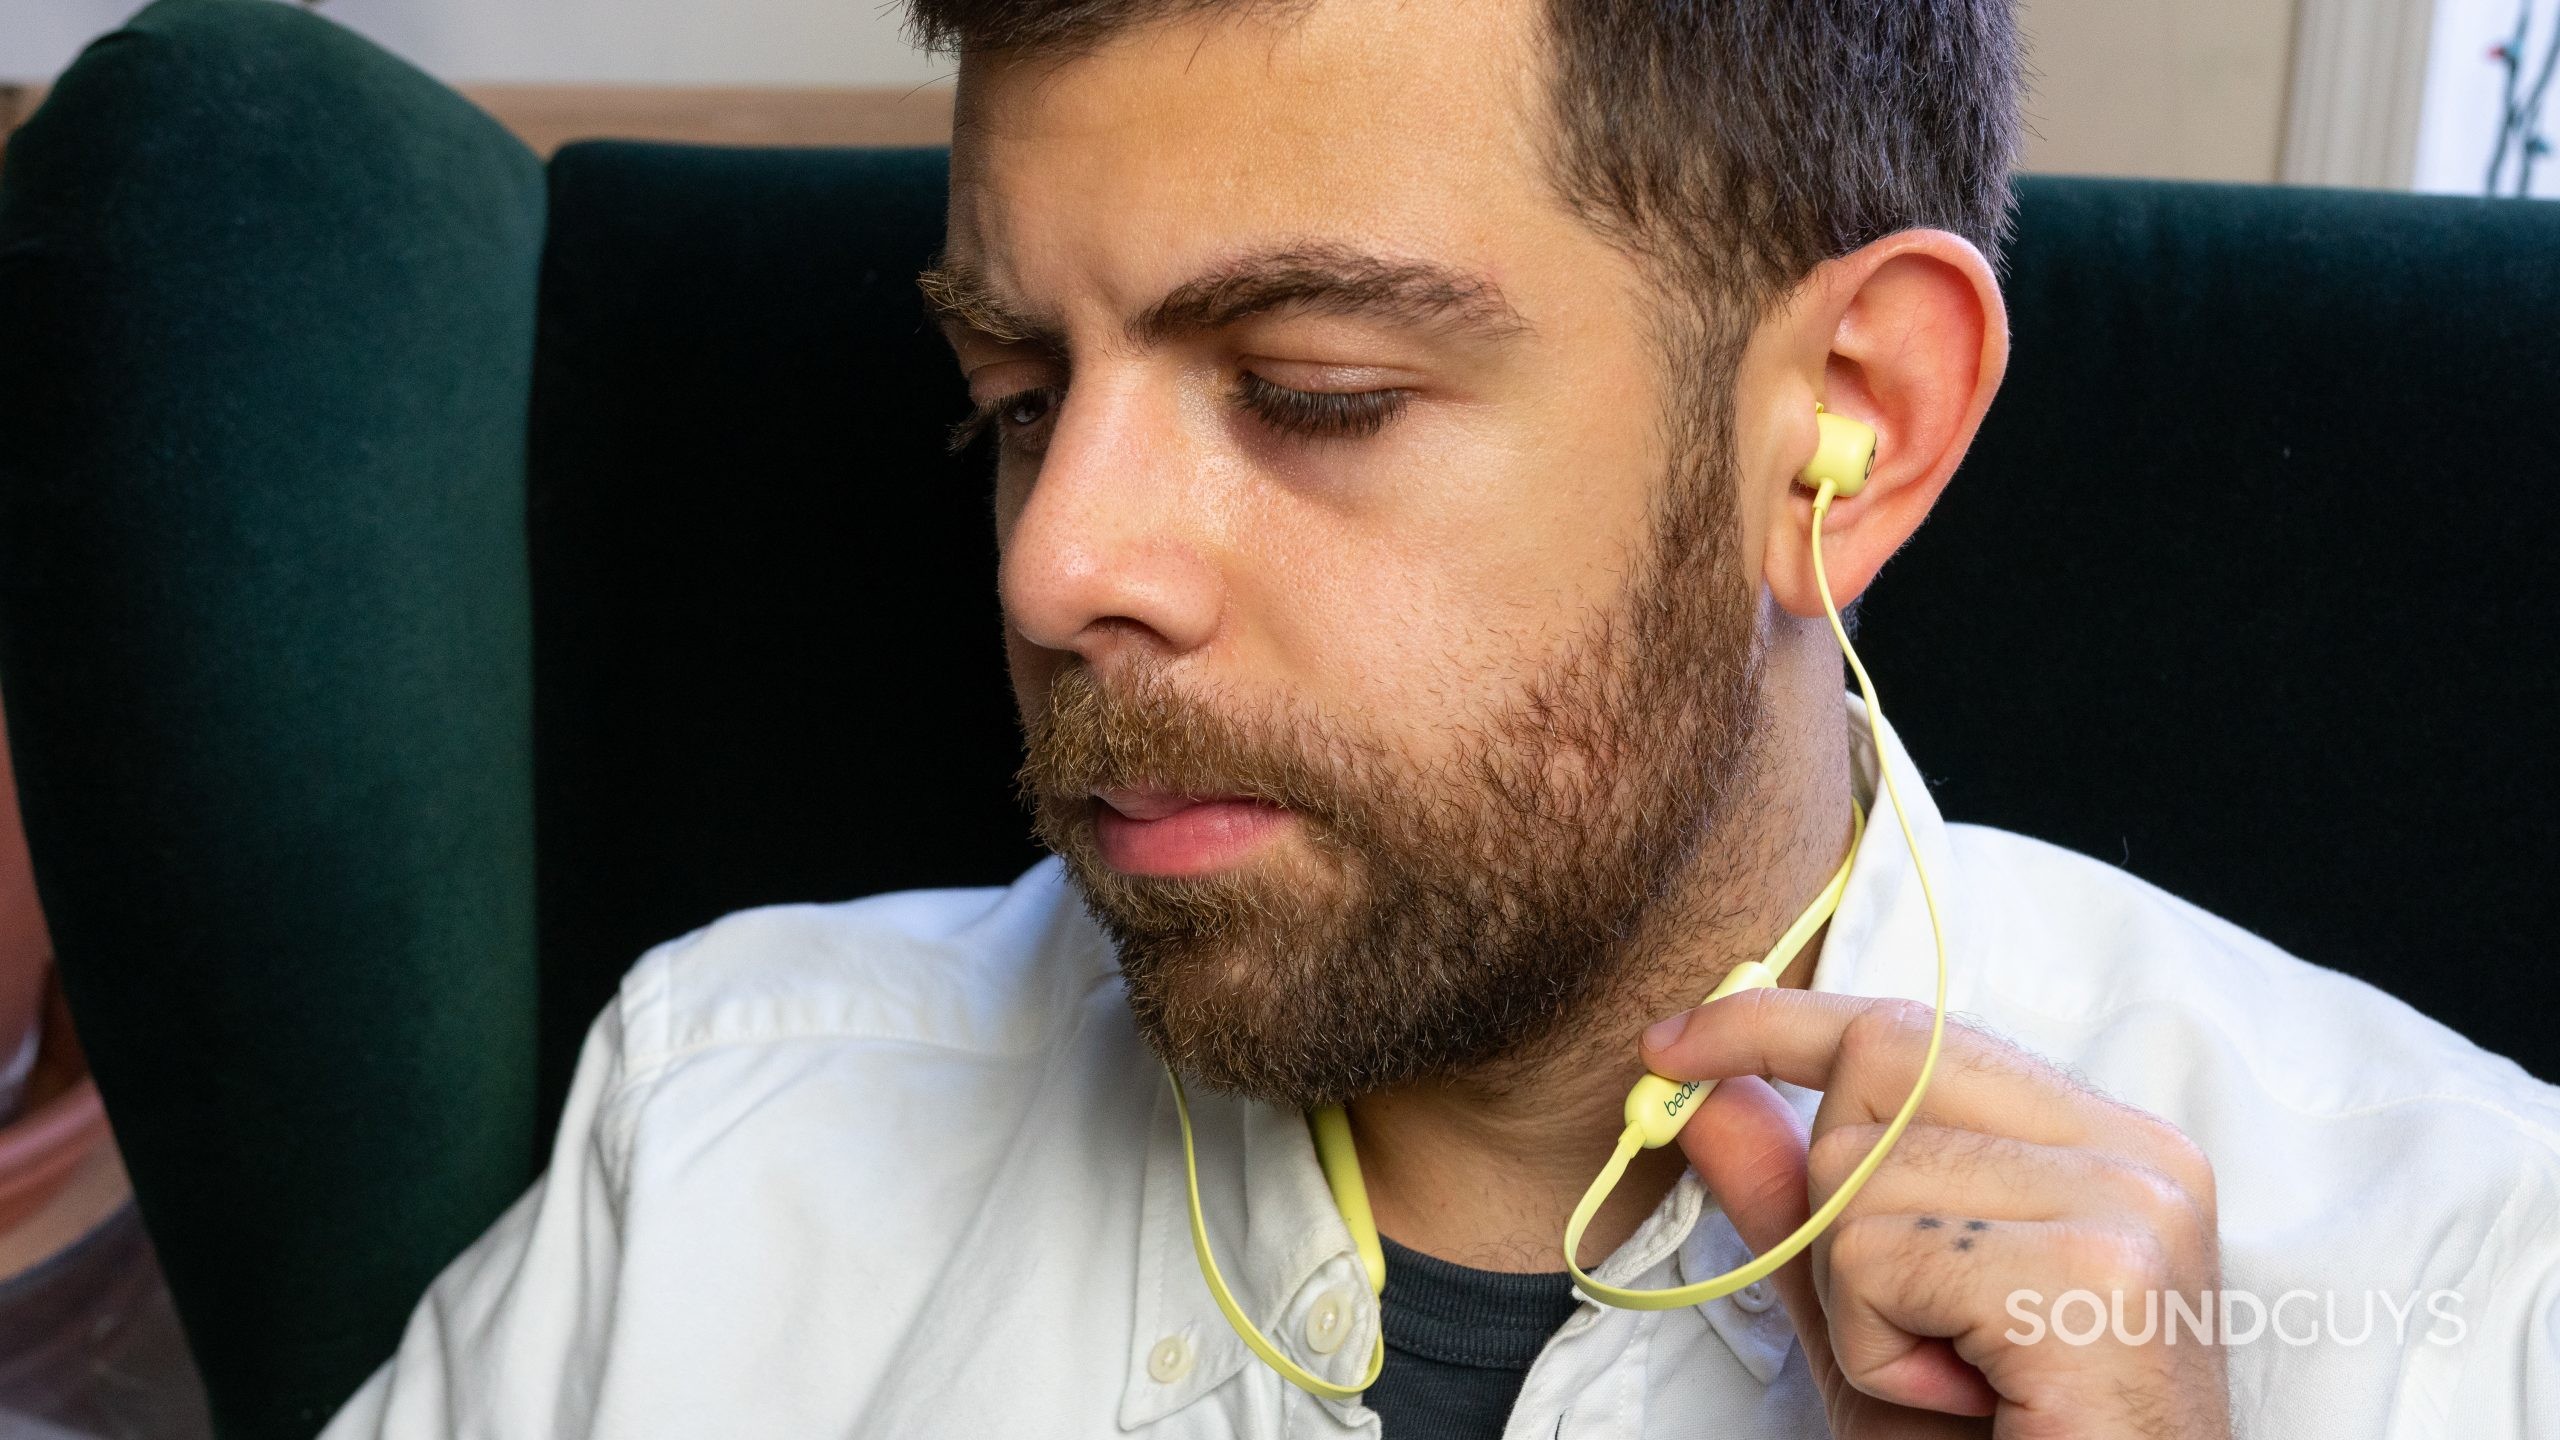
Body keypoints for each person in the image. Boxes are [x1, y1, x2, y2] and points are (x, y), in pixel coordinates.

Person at [320, 1, 2560, 1436]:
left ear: (1842, 432)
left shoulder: (2456, 1291)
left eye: (1314, 393)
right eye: (1013, 400)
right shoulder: (719, 1129)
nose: (1052, 565)